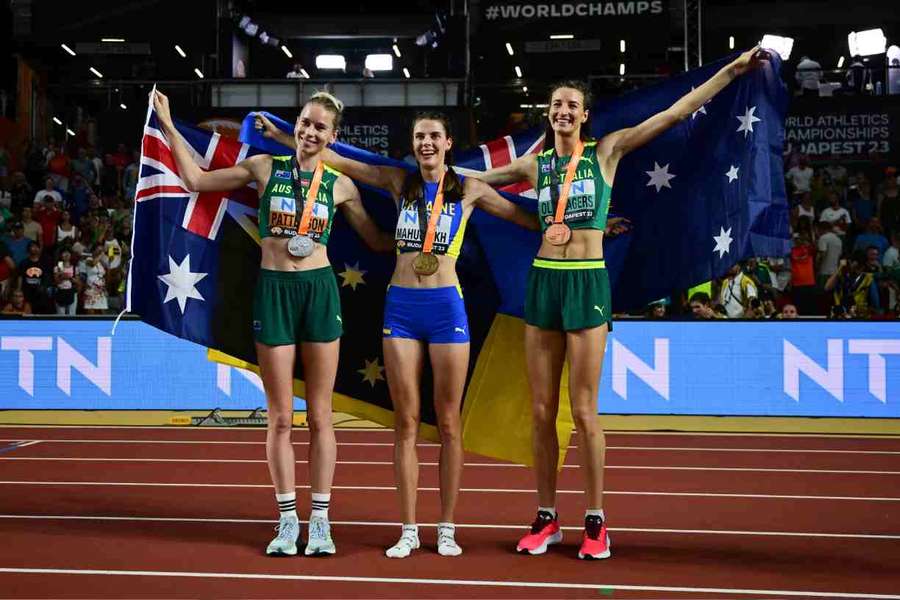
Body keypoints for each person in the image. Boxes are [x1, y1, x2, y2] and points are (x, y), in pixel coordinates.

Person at [473, 47, 766, 559]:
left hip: (587, 282)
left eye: (571, 106)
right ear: (549, 113)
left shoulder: (605, 152)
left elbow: (674, 111)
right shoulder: (535, 163)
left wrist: (730, 72)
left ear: (584, 114)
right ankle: (546, 518)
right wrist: (423, 170)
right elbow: (469, 179)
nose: (562, 112)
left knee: (583, 410)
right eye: (555, 105)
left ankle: (595, 522)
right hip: (543, 282)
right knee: (542, 411)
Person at [257, 109, 540, 558]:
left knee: (449, 423)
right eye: (419, 137)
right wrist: (278, 135)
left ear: (448, 143)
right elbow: (336, 158)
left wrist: (589, 229)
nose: (426, 143)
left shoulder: (468, 189)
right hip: (402, 310)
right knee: (405, 423)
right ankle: (408, 529)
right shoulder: (396, 181)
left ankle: (446, 526)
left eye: (434, 136)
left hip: (447, 307)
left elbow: (521, 218)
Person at [154, 89, 391, 558]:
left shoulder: (341, 186)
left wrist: (430, 239)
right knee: (281, 417)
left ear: (333, 136)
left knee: (321, 416)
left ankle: (320, 521)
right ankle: (287, 521)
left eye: (320, 127)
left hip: (319, 293)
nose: (309, 131)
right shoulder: (266, 168)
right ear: (296, 124)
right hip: (274, 292)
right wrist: (164, 120)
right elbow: (197, 181)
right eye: (304, 122)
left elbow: (377, 241)